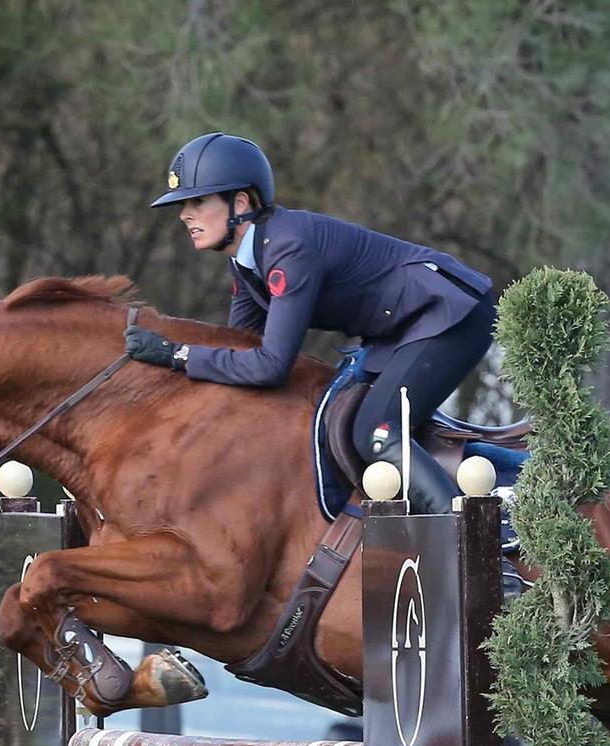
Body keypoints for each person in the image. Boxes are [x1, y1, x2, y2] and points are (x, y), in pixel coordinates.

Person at [122, 132, 496, 514]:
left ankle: (473, 543)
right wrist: (167, 359)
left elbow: (270, 365)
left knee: (376, 431)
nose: (185, 214)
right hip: (402, 329)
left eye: (197, 202)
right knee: (339, 419)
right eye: (183, 204)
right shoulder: (247, 262)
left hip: (449, 313)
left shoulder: (288, 248)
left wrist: (179, 355)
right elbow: (240, 346)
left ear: (240, 202)